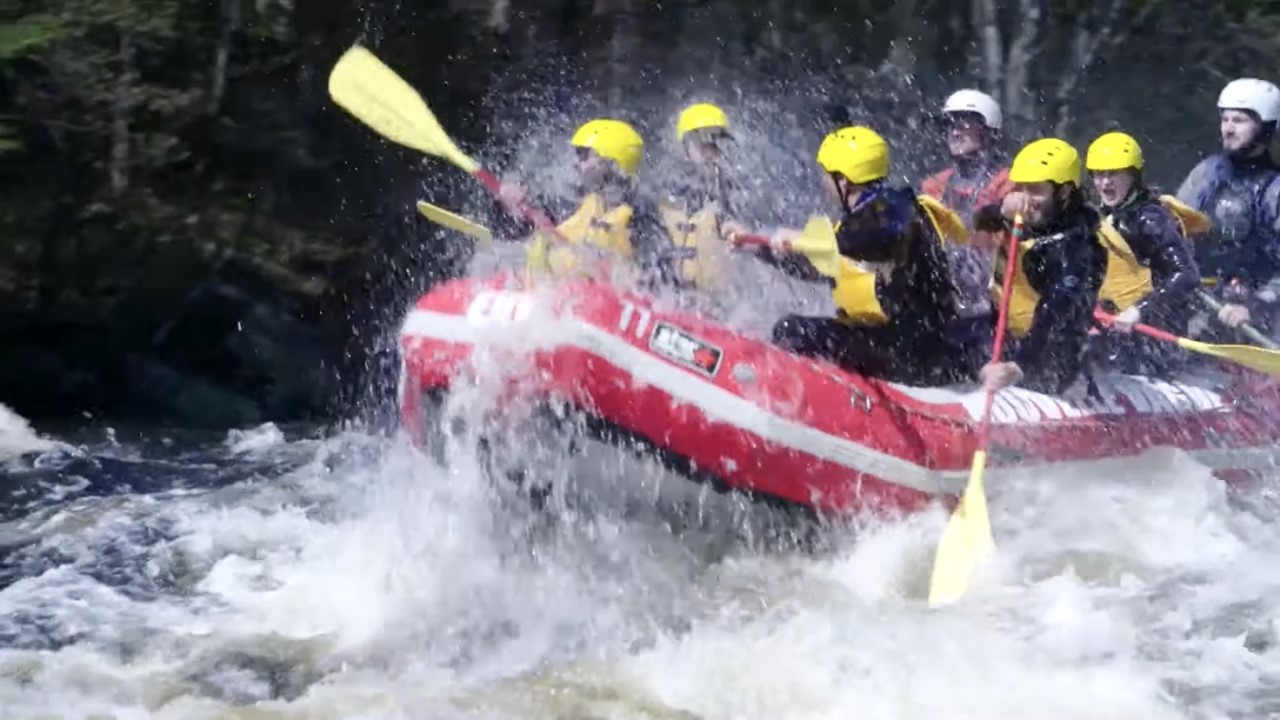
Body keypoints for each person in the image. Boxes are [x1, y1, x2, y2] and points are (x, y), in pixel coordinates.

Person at [732, 125, 968, 386]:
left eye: (827, 175)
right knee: (794, 327)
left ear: (844, 180)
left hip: (917, 350)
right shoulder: (858, 222)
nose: (823, 183)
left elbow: (880, 234)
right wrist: (754, 246)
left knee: (793, 330)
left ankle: (788, 400)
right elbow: (817, 267)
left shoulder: (897, 209)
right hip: (887, 339)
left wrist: (806, 239)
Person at [978, 138, 1109, 394]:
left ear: (1064, 192)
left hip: (1052, 363)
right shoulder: (1023, 221)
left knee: (1054, 349)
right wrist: (998, 211)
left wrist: (1019, 366)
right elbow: (976, 224)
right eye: (1021, 188)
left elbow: (1055, 312)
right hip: (1006, 345)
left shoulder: (1080, 248)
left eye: (1036, 190)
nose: (1025, 199)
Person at [490, 118, 671, 286]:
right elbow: (507, 231)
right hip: (550, 301)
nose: (577, 163)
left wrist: (626, 274)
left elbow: (661, 276)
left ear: (609, 161)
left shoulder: (641, 214)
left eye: (584, 155)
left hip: (599, 307)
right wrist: (507, 207)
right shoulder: (571, 203)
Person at [1085, 131, 1201, 376]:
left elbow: (1186, 275)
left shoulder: (1150, 220)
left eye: (1114, 174)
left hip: (1154, 336)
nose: (1105, 183)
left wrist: (1140, 310)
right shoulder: (1102, 217)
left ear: (1133, 175)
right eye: (1099, 175)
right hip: (1116, 328)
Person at [1176, 77, 1280, 342]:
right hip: (1203, 300)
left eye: (1240, 121)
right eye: (1225, 119)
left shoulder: (1274, 189)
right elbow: (1173, 232)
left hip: (1258, 314)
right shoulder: (1206, 173)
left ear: (1266, 127)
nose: (1228, 129)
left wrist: (1254, 305)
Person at [919, 89, 1015, 357]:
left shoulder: (1009, 183)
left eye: (964, 124)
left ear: (988, 132)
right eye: (950, 125)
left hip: (995, 309)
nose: (955, 132)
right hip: (946, 301)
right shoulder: (935, 186)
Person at [658, 102, 739, 290]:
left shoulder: (734, 192)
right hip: (673, 289)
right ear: (686, 148)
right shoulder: (672, 189)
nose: (712, 151)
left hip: (715, 294)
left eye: (717, 143)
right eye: (703, 144)